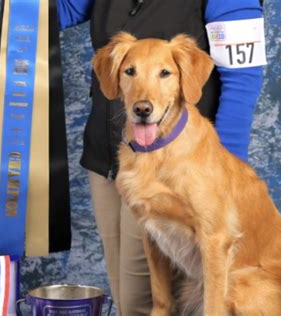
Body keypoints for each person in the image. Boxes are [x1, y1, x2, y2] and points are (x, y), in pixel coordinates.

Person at [57, 0, 265, 314]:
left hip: (180, 171)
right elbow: (62, 10)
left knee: (149, 303)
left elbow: (243, 81)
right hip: (109, 157)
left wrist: (223, 173)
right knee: (128, 301)